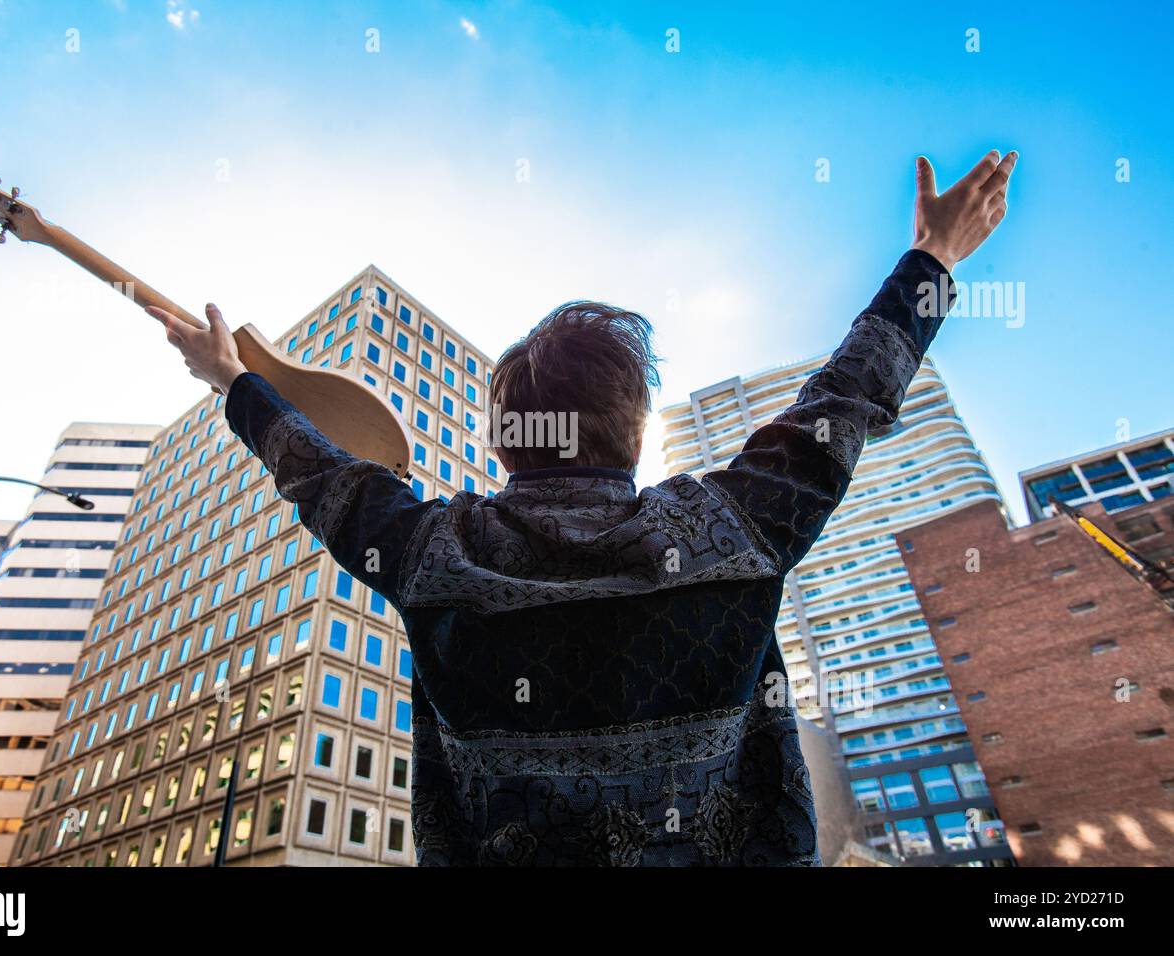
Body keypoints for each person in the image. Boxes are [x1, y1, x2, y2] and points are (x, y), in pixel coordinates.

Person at [148, 150, 1017, 865]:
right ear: (634, 430)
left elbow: (315, 469)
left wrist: (232, 378)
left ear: (503, 441)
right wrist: (932, 258)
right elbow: (854, 390)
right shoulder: (733, 528)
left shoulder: (434, 553)